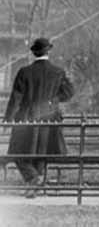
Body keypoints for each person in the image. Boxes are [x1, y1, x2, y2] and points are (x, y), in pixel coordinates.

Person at [4, 36, 74, 195]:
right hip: (49, 119)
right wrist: (54, 101)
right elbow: (70, 92)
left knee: (17, 152)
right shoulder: (58, 72)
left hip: (26, 119)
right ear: (48, 52)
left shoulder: (24, 72)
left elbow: (15, 98)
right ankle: (34, 183)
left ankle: (32, 181)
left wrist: (7, 120)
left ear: (34, 53)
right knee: (41, 152)